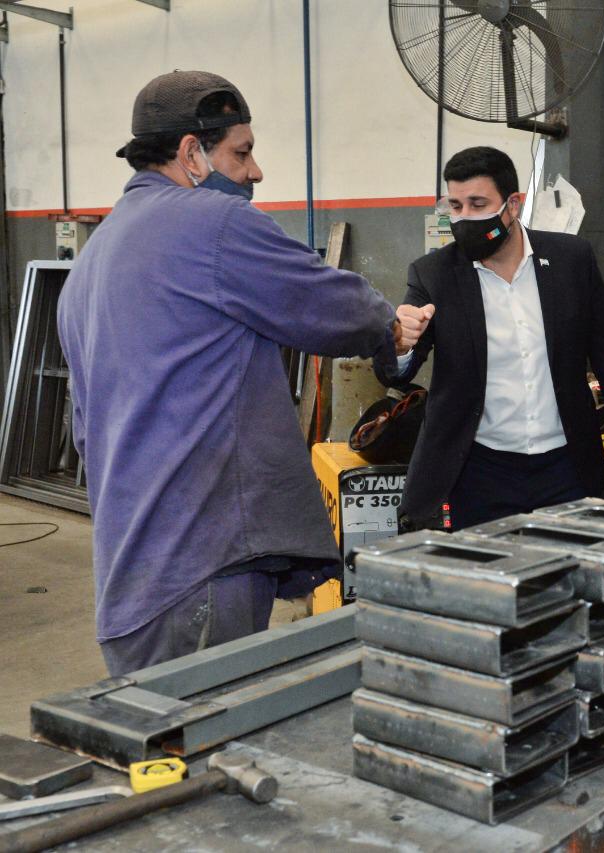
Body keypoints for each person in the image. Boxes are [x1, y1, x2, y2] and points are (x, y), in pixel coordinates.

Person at [57, 71, 402, 676]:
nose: (255, 171)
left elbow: (85, 434)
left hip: (132, 583)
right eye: (241, 153)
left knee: (159, 733)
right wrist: (391, 324)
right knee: (213, 730)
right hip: (203, 569)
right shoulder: (212, 221)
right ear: (192, 154)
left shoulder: (89, 265)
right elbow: (335, 308)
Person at [380, 146, 604, 531]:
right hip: (478, 471)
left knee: (570, 567)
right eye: (455, 206)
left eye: (478, 204)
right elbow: (398, 372)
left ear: (513, 205)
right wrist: (400, 343)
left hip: (566, 468)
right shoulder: (434, 275)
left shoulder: (570, 260)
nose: (464, 217)